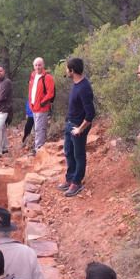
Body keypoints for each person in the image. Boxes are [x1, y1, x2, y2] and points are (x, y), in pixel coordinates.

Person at [59, 57, 95, 198]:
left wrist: (80, 129)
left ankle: (76, 182)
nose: (66, 71)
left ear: (72, 70)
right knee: (68, 152)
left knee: (78, 155)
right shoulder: (76, 84)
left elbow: (91, 113)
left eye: (67, 68)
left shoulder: (84, 88)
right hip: (70, 124)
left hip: (78, 126)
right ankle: (70, 179)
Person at [27, 57, 55, 153]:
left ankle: (38, 149)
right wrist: (31, 103)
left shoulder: (47, 77)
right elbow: (31, 91)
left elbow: (50, 93)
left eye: (39, 65)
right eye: (36, 65)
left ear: (43, 65)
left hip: (42, 107)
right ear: (33, 66)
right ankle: (38, 147)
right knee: (37, 128)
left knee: (39, 128)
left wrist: (43, 102)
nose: (38, 67)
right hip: (34, 107)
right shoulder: (33, 76)